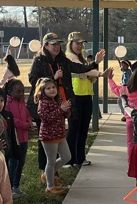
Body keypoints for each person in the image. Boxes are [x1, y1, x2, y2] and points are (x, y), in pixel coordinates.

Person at [28, 32, 75, 173]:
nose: (56, 47)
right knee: (44, 141)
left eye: (58, 44)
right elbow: (33, 79)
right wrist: (52, 77)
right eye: (53, 44)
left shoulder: (61, 60)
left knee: (57, 139)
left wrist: (94, 64)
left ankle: (52, 172)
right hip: (42, 103)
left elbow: (77, 68)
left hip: (57, 101)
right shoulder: (39, 60)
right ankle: (45, 171)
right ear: (46, 46)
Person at [66, 32, 111, 167]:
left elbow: (87, 72)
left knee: (83, 128)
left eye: (81, 43)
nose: (80, 46)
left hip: (85, 95)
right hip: (75, 96)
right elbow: (84, 70)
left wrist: (97, 71)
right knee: (74, 128)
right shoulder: (69, 57)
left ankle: (79, 158)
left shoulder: (81, 58)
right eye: (77, 43)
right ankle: (69, 159)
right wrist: (99, 70)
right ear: (70, 44)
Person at [34, 77, 72, 194]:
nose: (52, 90)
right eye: (48, 88)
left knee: (66, 157)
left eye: (53, 87)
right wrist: (61, 110)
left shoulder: (58, 99)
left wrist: (66, 109)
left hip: (60, 134)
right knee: (51, 161)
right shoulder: (43, 102)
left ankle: (47, 174)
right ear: (42, 91)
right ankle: (50, 187)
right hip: (49, 136)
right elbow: (46, 118)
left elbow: (65, 115)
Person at [4, 80, 34, 196]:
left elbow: (27, 114)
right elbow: (12, 120)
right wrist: (25, 125)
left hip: (24, 137)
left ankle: (16, 186)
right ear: (10, 91)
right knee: (14, 163)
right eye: (18, 92)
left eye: (22, 91)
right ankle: (9, 187)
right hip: (14, 138)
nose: (21, 94)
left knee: (21, 162)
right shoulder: (7, 103)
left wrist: (29, 122)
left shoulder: (21, 102)